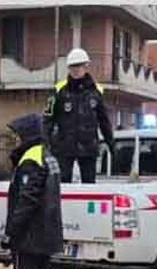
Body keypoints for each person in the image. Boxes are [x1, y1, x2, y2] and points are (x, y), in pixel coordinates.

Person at [4, 114, 64, 269]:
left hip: (30, 236)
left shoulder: (30, 160)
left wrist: (12, 232)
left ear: (26, 135)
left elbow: (26, 200)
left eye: (16, 135)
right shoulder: (47, 156)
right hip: (48, 233)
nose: (13, 139)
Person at [43, 48, 114, 184]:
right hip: (64, 148)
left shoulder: (96, 91)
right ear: (69, 68)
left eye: (79, 66)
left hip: (89, 147)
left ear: (86, 66)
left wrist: (111, 143)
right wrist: (46, 144)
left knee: (89, 185)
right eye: (72, 67)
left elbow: (104, 121)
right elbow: (48, 119)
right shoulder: (59, 91)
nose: (75, 70)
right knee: (62, 185)